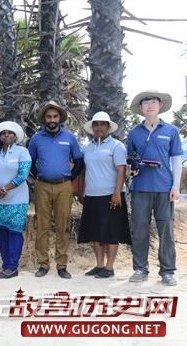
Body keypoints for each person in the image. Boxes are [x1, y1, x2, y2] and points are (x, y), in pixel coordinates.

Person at [127, 90, 183, 286]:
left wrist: (175, 186)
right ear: (141, 108)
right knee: (140, 229)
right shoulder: (134, 133)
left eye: (153, 102)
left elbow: (176, 159)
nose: (149, 105)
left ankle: (167, 271)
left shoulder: (171, 131)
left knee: (165, 230)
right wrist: (131, 171)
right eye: (145, 102)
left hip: (164, 188)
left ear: (160, 105)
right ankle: (140, 269)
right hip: (140, 188)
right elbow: (130, 161)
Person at [28, 101, 83, 279]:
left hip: (64, 186)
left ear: (60, 118)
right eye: (49, 116)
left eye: (55, 116)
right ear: (45, 119)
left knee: (63, 225)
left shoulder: (69, 137)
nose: (52, 119)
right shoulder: (36, 139)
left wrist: (69, 178)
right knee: (42, 225)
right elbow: (30, 163)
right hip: (42, 186)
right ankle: (43, 264)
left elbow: (79, 161)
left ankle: (61, 265)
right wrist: (40, 176)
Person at [78, 112, 131, 279]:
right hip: (92, 195)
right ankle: (99, 265)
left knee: (111, 232)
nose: (99, 127)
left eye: (102, 124)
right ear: (92, 127)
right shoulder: (88, 147)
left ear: (108, 127)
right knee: (95, 232)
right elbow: (84, 171)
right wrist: (82, 191)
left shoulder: (116, 146)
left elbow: (121, 169)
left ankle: (109, 267)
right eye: (96, 124)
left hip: (111, 195)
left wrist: (117, 193)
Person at [0, 121, 31, 279]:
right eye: (3, 133)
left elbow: (23, 174)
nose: (6, 135)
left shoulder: (22, 152)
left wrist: (5, 188)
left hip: (17, 199)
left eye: (10, 133)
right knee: (2, 232)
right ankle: (5, 265)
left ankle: (13, 266)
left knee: (14, 232)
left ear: (15, 136)